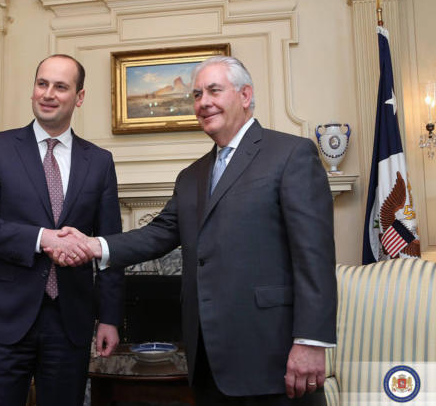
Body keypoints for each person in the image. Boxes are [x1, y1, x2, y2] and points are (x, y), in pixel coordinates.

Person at [51, 56, 337, 405]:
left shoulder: (291, 154)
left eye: (214, 91)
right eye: (197, 94)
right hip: (207, 362)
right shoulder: (192, 176)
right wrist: (94, 245)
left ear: (245, 95)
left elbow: (314, 256)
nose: (203, 102)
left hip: (272, 356)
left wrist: (311, 341)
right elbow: (158, 234)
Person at [0, 54, 124, 406]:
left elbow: (110, 245)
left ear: (79, 97)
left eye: (60, 86)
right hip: (5, 319)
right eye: (42, 84)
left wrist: (109, 318)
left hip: (70, 320)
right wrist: (41, 238)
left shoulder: (99, 162)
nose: (48, 94)